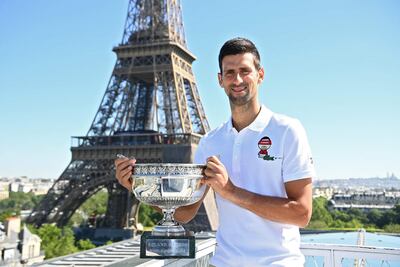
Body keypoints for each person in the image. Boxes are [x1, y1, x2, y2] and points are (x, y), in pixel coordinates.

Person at [115, 37, 316, 267]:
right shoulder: (211, 142)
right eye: (229, 73)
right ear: (220, 80)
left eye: (245, 70)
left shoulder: (287, 130)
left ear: (260, 75)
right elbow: (184, 214)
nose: (237, 79)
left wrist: (230, 191)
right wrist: (139, 187)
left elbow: (302, 214)